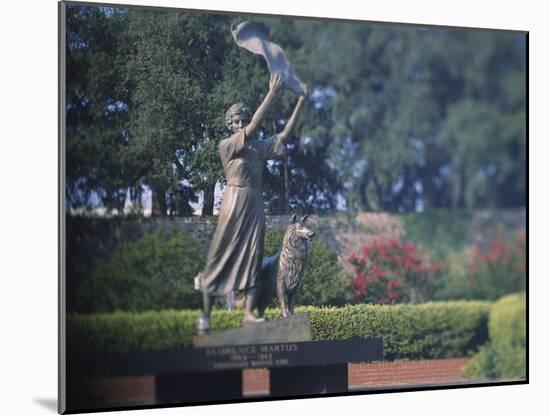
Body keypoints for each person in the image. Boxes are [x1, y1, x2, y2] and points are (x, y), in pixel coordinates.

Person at [197, 74, 307, 334]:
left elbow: (284, 134)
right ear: (230, 125)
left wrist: (301, 102)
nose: (241, 124)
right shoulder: (226, 146)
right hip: (234, 200)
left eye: (244, 120)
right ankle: (205, 314)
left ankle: (248, 313)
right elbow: (257, 125)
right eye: (236, 121)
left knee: (253, 256)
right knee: (220, 253)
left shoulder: (257, 149)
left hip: (255, 203)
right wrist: (271, 94)